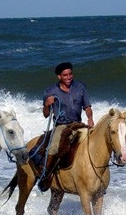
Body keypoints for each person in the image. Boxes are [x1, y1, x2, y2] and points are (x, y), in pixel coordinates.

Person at [38, 62, 94, 192]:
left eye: (70, 74)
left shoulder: (80, 87)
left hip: (78, 124)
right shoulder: (50, 91)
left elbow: (87, 106)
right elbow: (46, 115)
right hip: (61, 126)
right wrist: (46, 105)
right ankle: (45, 175)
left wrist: (90, 118)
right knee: (54, 147)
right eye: (65, 75)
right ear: (59, 76)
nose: (69, 77)